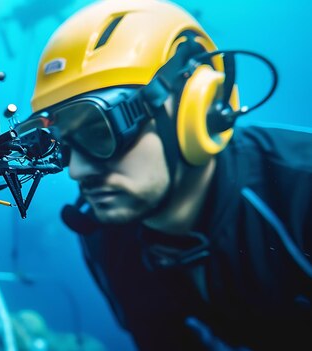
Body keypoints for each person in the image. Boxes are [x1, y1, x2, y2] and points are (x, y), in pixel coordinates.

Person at [17, 0, 312, 350]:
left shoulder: (301, 191)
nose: (76, 170)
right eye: (60, 145)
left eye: (100, 131)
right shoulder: (104, 231)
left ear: (199, 108)